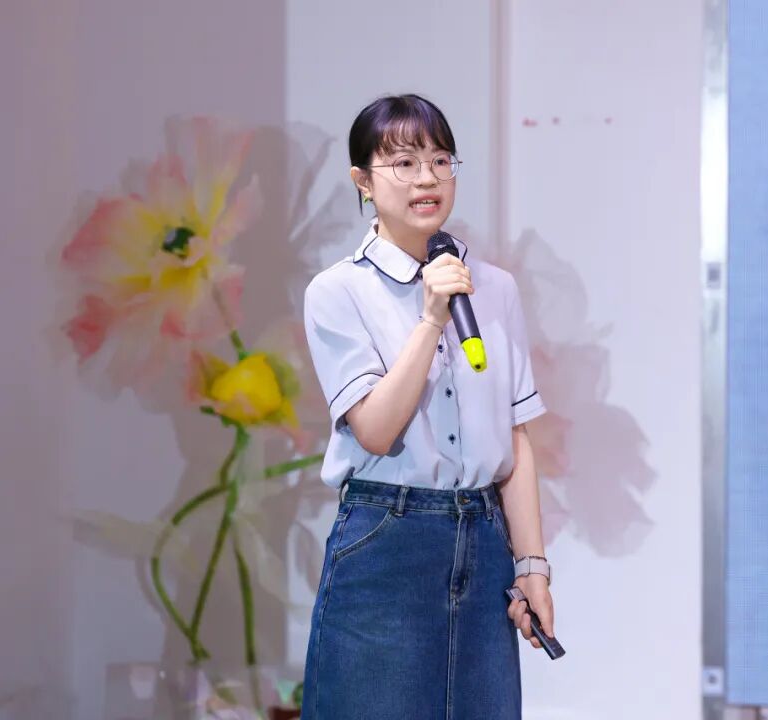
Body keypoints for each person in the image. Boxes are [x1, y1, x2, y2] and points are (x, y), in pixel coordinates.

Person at [299, 93, 556, 720]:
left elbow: (514, 440)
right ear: (363, 181)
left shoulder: (493, 287)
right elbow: (375, 429)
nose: (427, 179)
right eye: (404, 163)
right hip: (388, 536)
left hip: (483, 539)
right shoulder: (337, 292)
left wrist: (532, 565)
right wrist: (431, 318)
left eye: (441, 161)